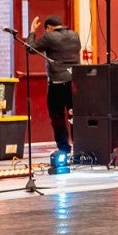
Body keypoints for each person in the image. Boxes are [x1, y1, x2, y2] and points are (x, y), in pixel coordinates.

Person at [26, 15, 81, 153]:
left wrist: (32, 31)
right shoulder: (75, 35)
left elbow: (31, 48)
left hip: (57, 83)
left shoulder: (49, 37)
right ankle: (80, 148)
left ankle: (64, 149)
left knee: (57, 117)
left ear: (49, 28)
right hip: (75, 82)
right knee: (75, 115)